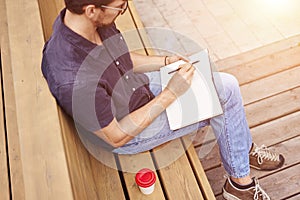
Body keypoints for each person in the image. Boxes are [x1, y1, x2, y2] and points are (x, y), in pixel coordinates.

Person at [41, 0, 285, 199]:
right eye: (120, 6)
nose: (124, 8)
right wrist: (171, 93)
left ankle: (240, 150)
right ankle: (239, 186)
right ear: (92, 10)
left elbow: (122, 58)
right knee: (225, 93)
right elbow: (116, 135)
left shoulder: (87, 23)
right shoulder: (74, 77)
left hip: (136, 90)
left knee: (211, 79)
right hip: (132, 130)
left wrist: (167, 62)